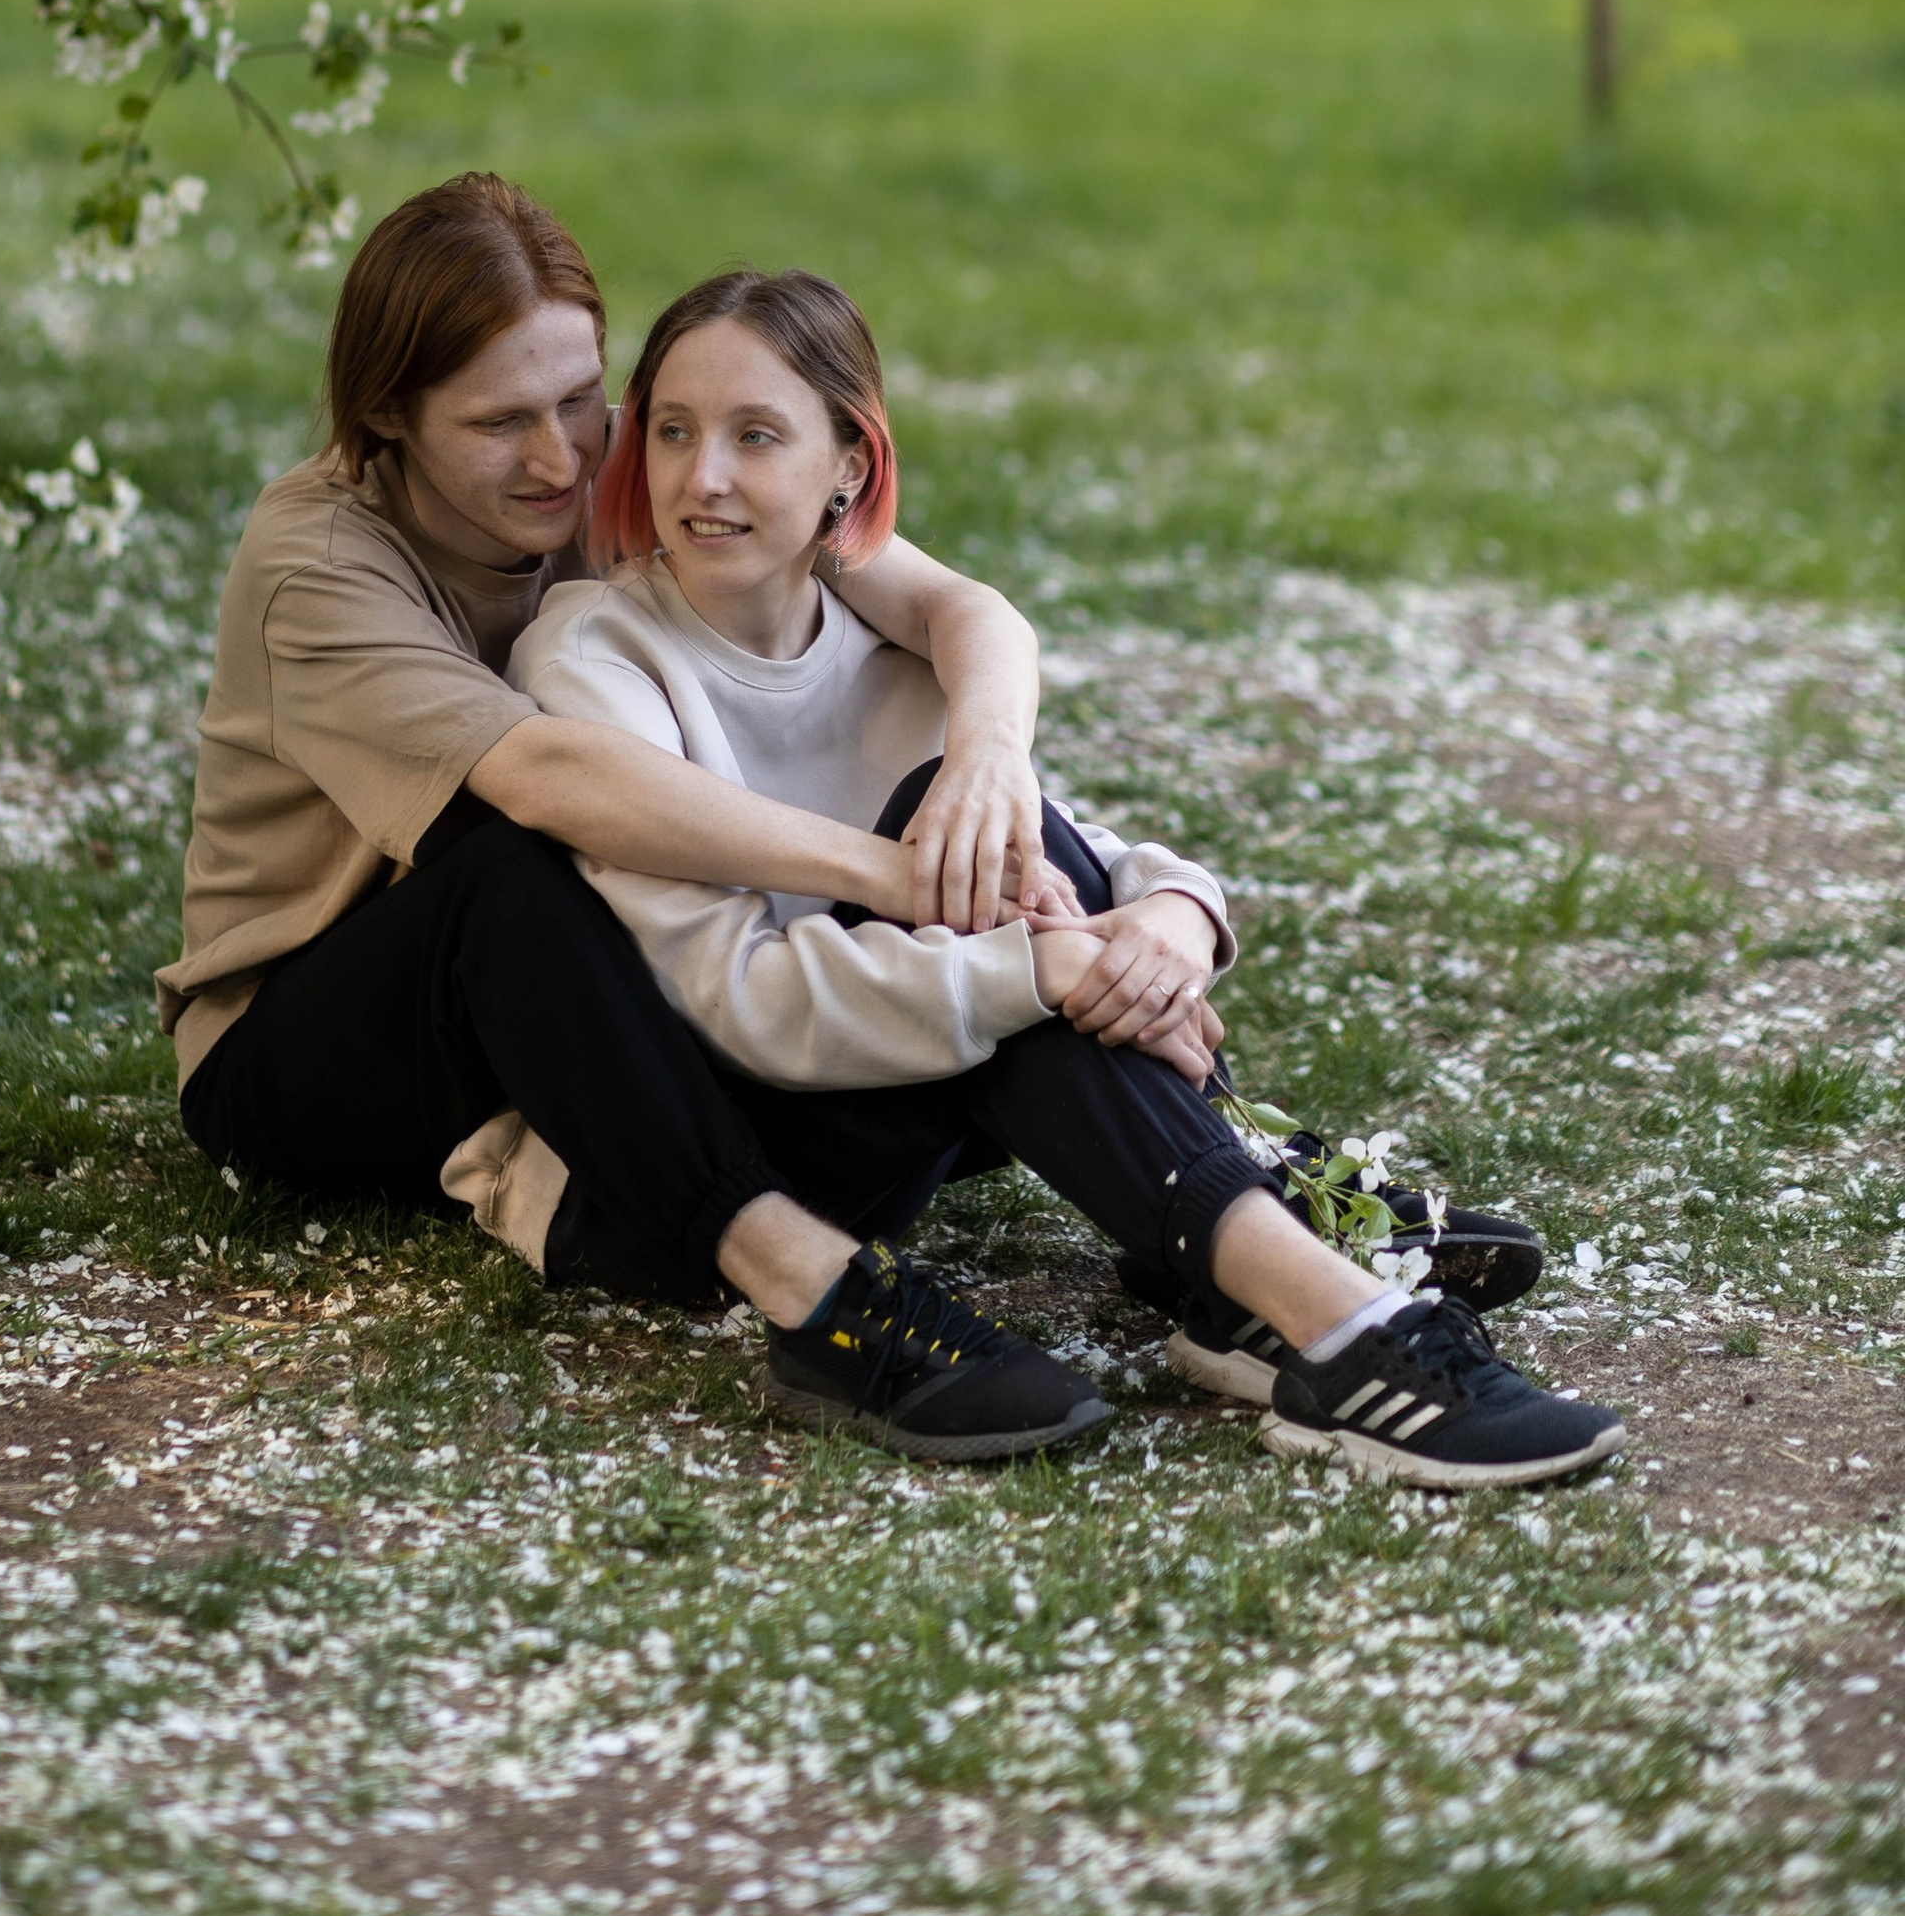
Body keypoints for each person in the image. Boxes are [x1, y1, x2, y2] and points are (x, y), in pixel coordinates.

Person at [503, 266, 1622, 1493]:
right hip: (698, 1172)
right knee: (1013, 962)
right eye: (672, 431)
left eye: (753, 435)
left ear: (849, 468)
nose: (701, 477)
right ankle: (1331, 1316)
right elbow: (741, 1000)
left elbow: (1064, 849)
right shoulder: (596, 654)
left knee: (1015, 863)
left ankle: (1253, 1279)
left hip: (878, 1090)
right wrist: (1036, 964)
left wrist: (1171, 918)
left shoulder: (886, 639)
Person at [162, 172, 1116, 1461]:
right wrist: (892, 877)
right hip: (321, 1030)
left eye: (578, 398)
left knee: (960, 827)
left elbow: (953, 608)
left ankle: (1242, 1210)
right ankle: (816, 1296)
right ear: (388, 410)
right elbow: (553, 782)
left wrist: (989, 763)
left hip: (593, 999)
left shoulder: (657, 456)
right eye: (500, 421)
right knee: (519, 869)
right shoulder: (317, 562)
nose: (563, 458)